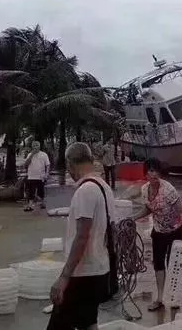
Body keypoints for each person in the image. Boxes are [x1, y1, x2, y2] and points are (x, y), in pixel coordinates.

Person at [48, 142, 116, 330]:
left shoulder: (85, 190)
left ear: (70, 164)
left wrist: (64, 278)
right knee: (88, 322)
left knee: (58, 326)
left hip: (82, 274)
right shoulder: (105, 188)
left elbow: (82, 237)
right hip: (99, 270)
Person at [136, 158, 182, 312]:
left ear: (160, 173)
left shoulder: (169, 190)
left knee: (174, 265)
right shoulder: (144, 190)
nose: (153, 174)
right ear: (146, 173)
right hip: (158, 231)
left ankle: (174, 297)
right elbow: (148, 209)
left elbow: (181, 212)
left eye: (155, 171)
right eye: (150, 171)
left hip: (175, 231)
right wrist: (132, 217)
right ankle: (160, 298)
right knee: (159, 265)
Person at [25, 141, 50, 212]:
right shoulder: (29, 154)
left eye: (37, 145)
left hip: (40, 176)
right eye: (34, 145)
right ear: (32, 147)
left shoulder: (44, 155)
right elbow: (26, 165)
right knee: (31, 191)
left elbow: (47, 165)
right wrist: (31, 155)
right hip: (31, 176)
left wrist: (47, 174)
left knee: (41, 191)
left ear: (39, 146)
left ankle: (42, 203)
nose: (35, 147)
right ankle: (30, 205)